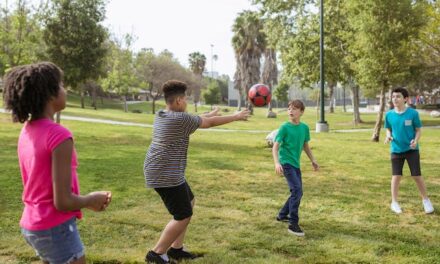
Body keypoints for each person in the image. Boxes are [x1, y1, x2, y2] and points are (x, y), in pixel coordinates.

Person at [3, 62, 112, 264]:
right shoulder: (58, 135)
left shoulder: (27, 129)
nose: (66, 89)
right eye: (62, 85)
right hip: (54, 227)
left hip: (32, 224)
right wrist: (91, 199)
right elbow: (62, 202)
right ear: (50, 94)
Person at [143, 80, 250, 264]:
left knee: (189, 201)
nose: (187, 102)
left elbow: (196, 118)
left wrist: (209, 113)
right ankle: (157, 253)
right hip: (165, 174)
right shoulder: (180, 119)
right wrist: (236, 116)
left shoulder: (162, 114)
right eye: (185, 99)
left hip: (165, 170)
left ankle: (176, 249)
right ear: (178, 101)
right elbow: (207, 123)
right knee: (183, 215)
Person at [272, 100, 319, 237]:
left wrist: (313, 160)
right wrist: (277, 163)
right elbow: (275, 147)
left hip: (296, 164)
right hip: (286, 163)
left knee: (297, 192)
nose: (291, 111)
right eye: (289, 108)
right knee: (297, 190)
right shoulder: (284, 127)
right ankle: (293, 224)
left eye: (295, 109)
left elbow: (305, 145)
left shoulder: (304, 128)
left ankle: (282, 215)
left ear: (302, 112)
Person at [384, 87, 434, 214]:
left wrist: (415, 140)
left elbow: (418, 130)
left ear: (405, 99)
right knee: (396, 176)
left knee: (416, 175)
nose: (395, 99)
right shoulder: (389, 114)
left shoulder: (413, 113)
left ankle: (426, 201)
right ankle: (394, 202)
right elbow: (388, 128)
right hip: (396, 149)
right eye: (393, 96)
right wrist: (388, 135)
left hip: (411, 149)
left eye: (398, 96)